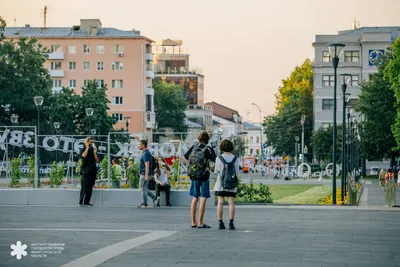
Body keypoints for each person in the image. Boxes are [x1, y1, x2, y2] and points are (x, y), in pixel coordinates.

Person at [184, 131, 216, 228]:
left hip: (194, 175)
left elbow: (184, 157)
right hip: (204, 176)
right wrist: (208, 168)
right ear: (207, 140)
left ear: (199, 139)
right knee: (203, 198)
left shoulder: (194, 147)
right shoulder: (209, 149)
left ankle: (193, 222)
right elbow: (214, 163)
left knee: (195, 198)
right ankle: (200, 222)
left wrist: (190, 164)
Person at [214, 139, 238, 230]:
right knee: (231, 203)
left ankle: (220, 222)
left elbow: (217, 171)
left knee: (220, 202)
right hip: (231, 184)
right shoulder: (235, 158)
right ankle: (231, 223)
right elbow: (237, 173)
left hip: (220, 184)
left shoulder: (219, 158)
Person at [79, 137, 99, 206]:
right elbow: (83, 156)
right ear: (86, 142)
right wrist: (87, 147)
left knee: (90, 187)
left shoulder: (93, 150)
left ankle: (87, 202)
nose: (91, 144)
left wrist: (94, 152)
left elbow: (96, 160)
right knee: (84, 186)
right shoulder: (84, 149)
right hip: (85, 171)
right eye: (90, 142)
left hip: (92, 171)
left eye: (92, 142)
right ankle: (80, 202)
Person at [137, 140, 157, 208]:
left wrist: (146, 175)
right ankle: (154, 197)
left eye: (139, 144)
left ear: (143, 145)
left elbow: (147, 164)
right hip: (143, 173)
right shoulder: (145, 153)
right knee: (144, 188)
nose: (138, 146)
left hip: (145, 174)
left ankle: (144, 203)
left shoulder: (146, 153)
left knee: (143, 188)